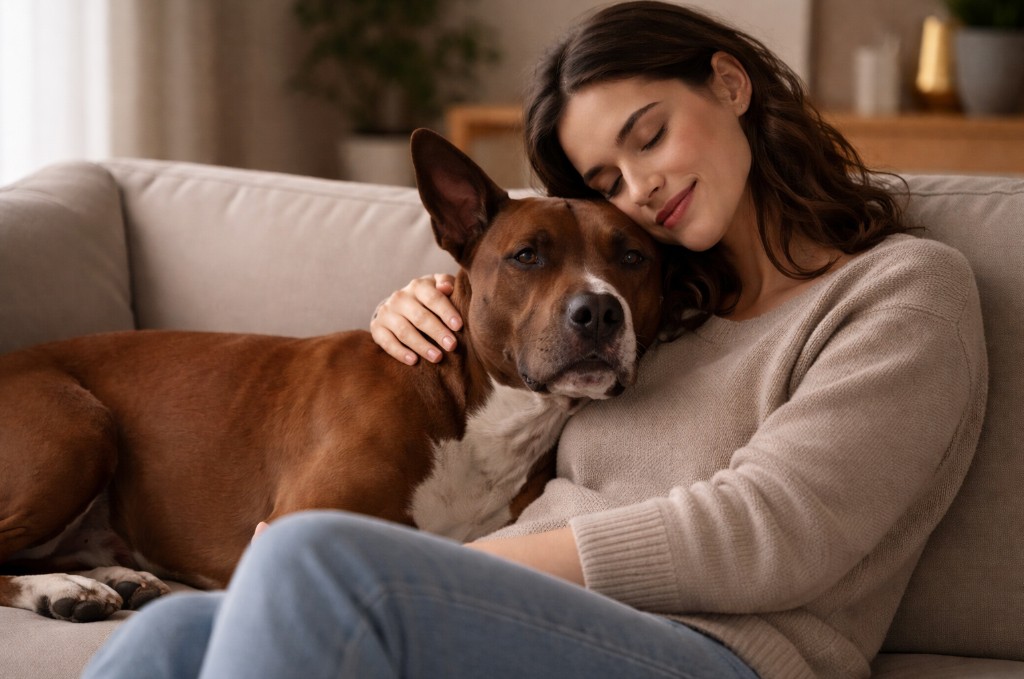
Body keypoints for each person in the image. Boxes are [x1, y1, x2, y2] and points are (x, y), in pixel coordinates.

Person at [82, 3, 987, 678]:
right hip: (531, 619)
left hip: (722, 654)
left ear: (729, 84)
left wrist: (445, 569)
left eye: (651, 133)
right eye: (606, 177)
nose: (642, 185)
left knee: (313, 557)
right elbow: (523, 311)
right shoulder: (665, 302)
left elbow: (775, 530)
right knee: (164, 638)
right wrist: (425, 306)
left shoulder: (902, 293)